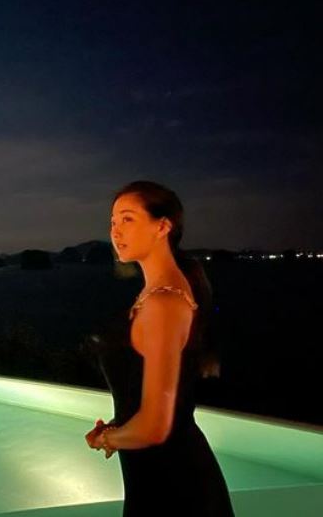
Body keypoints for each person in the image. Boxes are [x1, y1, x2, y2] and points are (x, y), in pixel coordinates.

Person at [85, 181, 235, 516]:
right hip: (156, 475)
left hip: (175, 486)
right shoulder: (155, 295)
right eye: (112, 221)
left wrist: (106, 439)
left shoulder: (164, 304)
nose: (115, 231)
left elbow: (155, 426)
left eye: (128, 219)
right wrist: (118, 427)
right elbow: (144, 394)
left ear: (163, 226)